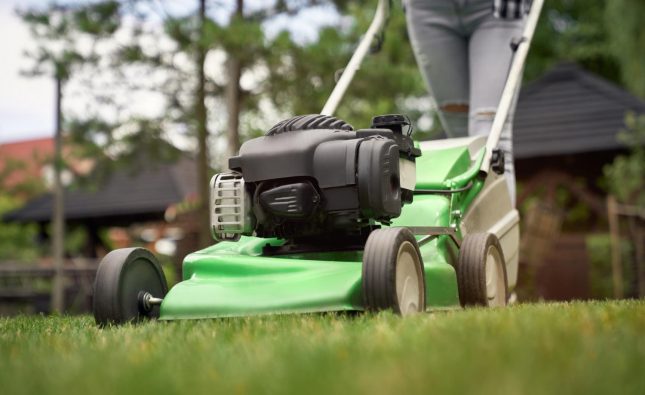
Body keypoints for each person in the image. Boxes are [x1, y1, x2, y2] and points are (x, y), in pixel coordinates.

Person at [405, 0, 530, 206]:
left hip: (497, 10)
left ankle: (496, 235)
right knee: (461, 145)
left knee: (489, 141)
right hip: (426, 10)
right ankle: (464, 233)